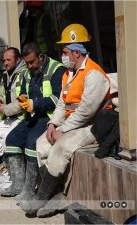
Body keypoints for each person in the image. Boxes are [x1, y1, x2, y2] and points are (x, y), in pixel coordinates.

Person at [18, 24, 112, 216]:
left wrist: (63, 129)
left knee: (60, 148)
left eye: (65, 51)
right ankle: (55, 194)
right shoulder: (69, 74)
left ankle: (43, 197)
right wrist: (52, 124)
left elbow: (86, 112)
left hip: (92, 126)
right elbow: (62, 104)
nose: (63, 55)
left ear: (77, 53)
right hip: (71, 124)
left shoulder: (93, 74)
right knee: (41, 143)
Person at [0, 42, 66, 199]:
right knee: (12, 139)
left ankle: (29, 190)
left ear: (41, 56)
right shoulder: (26, 73)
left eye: (32, 62)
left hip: (51, 116)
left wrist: (34, 103)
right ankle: (17, 185)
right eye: (27, 62)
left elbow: (58, 98)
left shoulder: (56, 69)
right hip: (33, 115)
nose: (29, 66)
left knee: (31, 142)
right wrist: (22, 100)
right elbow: (22, 92)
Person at [0, 47, 30, 169]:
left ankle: (15, 166)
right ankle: (7, 162)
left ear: (17, 60)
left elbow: (23, 100)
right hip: (10, 117)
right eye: (4, 60)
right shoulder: (6, 75)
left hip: (22, 117)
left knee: (8, 137)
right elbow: (2, 94)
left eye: (8, 60)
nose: (6, 63)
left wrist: (5, 109)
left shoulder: (24, 74)